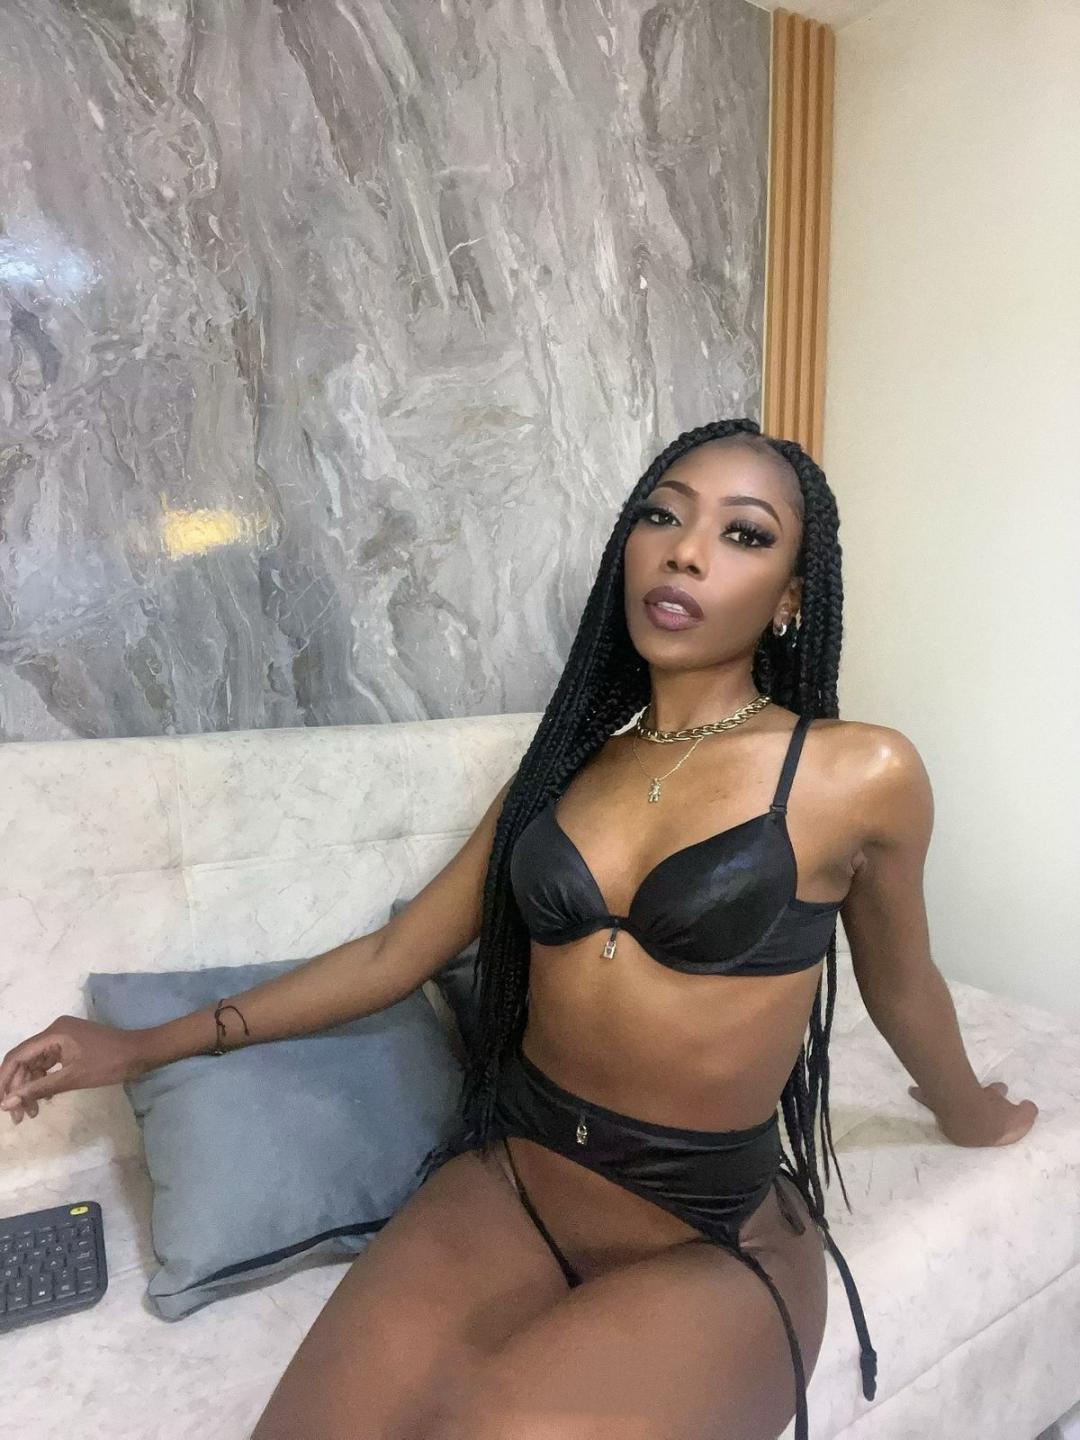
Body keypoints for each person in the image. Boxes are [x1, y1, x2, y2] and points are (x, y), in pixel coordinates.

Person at [0, 416, 1038, 1440]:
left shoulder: (859, 772)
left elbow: (902, 982)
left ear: (792, 598)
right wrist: (139, 1045)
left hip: (708, 1231)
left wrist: (972, 1113)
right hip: (515, 1181)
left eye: (743, 533)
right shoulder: (563, 770)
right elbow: (393, 957)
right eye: (662, 516)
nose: (685, 551)